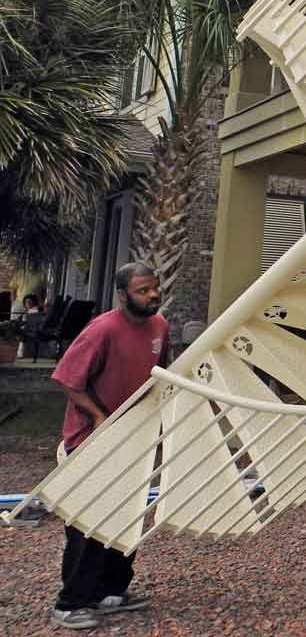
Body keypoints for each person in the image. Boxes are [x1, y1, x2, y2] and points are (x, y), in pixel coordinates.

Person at [48, 262, 169, 631]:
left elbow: (160, 376)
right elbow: (69, 381)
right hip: (91, 440)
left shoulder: (160, 327)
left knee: (126, 515)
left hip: (134, 439)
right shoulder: (102, 330)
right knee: (87, 523)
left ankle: (111, 592)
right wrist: (99, 417)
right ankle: (70, 603)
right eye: (142, 290)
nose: (152, 295)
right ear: (122, 295)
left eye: (154, 288)